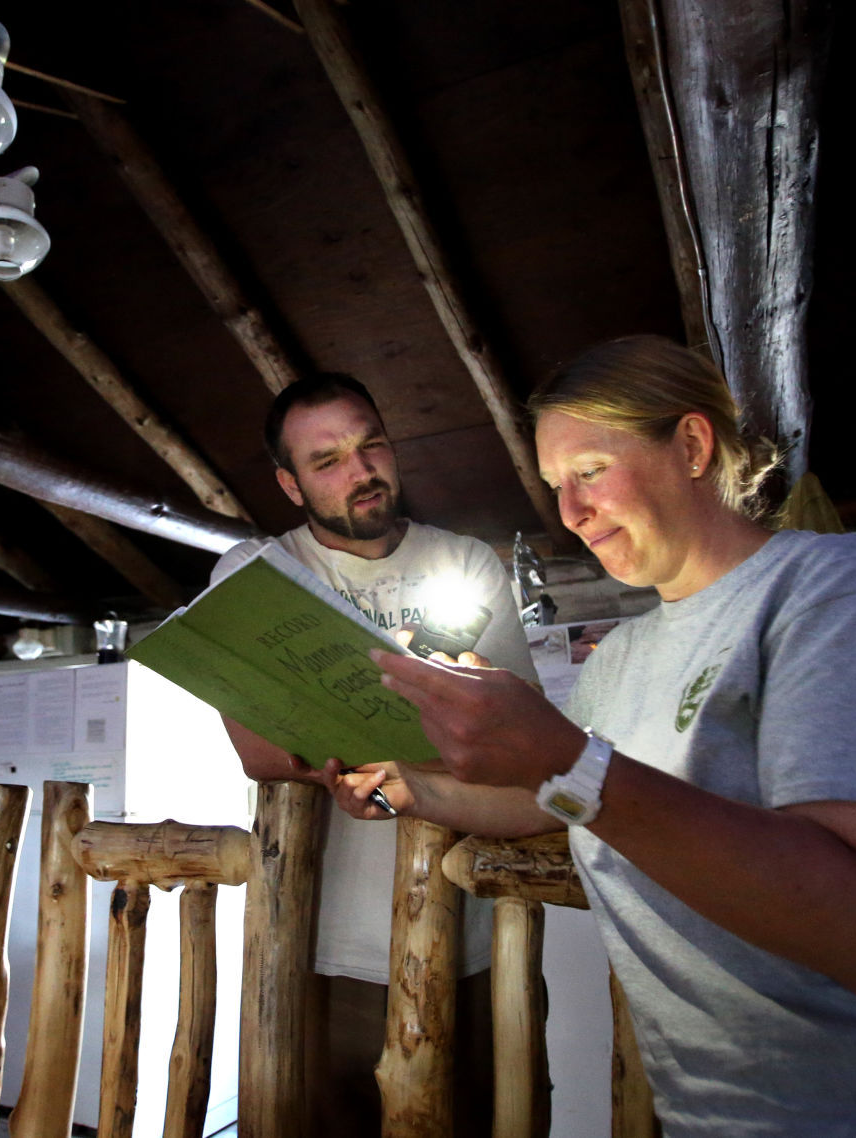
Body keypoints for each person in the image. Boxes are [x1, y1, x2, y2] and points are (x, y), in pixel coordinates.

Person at [326, 336, 856, 1137]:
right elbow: (558, 797)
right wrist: (415, 786)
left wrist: (561, 756)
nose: (573, 511)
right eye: (556, 484)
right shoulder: (622, 660)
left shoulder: (838, 595)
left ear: (692, 449)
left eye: (590, 469)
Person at [211, 372, 538, 1138]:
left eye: (371, 444)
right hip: (318, 946)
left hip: (472, 939)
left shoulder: (467, 562)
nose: (360, 471)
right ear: (289, 485)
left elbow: (517, 741)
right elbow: (259, 750)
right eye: (326, 461)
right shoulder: (256, 573)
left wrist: (351, 739)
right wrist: (423, 731)